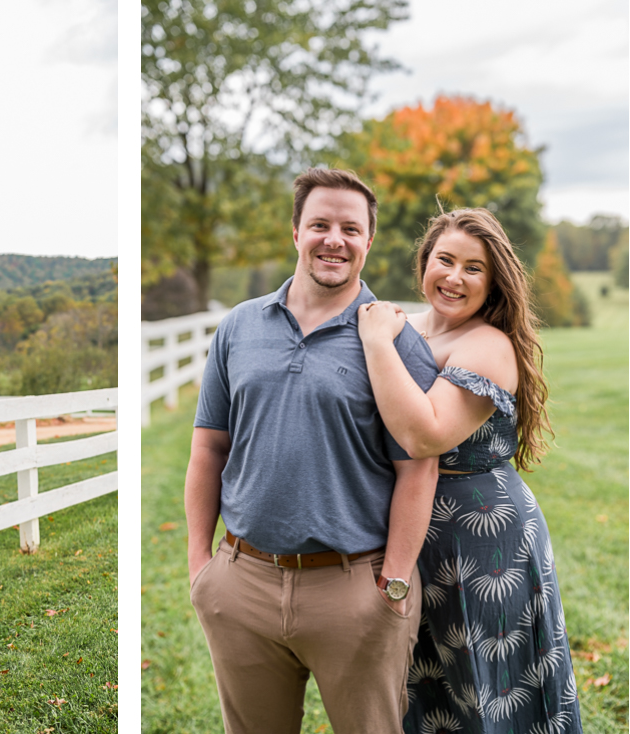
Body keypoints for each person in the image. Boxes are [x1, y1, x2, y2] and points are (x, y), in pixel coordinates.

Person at [185, 168, 441, 734]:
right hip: (241, 583)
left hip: (356, 588)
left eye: (351, 228)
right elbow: (208, 447)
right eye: (320, 224)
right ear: (295, 232)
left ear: (368, 241)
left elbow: (418, 470)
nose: (335, 240)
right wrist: (201, 565)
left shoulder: (396, 340)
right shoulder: (239, 327)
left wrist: (394, 584)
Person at [357, 208, 582, 732]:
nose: (455, 277)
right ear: (425, 262)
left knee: (489, 687)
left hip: (483, 540)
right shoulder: (405, 330)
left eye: (474, 268)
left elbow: (424, 434)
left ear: (493, 281)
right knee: (421, 683)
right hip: (409, 530)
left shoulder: (487, 345)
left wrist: (374, 342)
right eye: (446, 260)